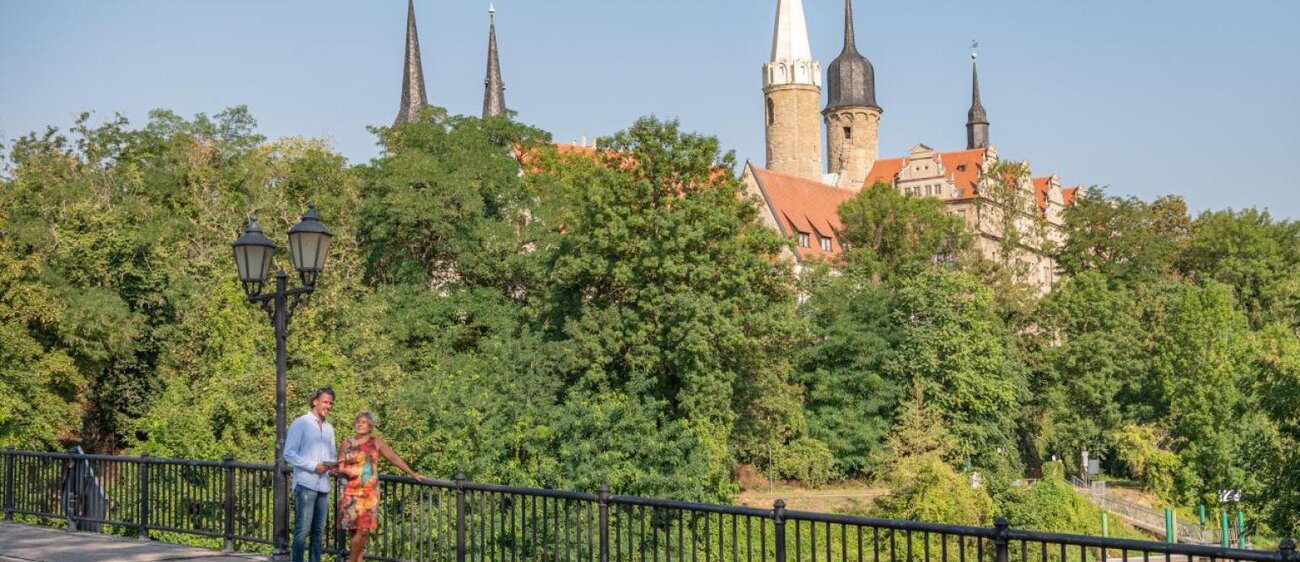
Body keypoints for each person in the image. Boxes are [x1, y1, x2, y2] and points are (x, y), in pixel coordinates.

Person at [336, 411, 426, 562]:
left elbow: (393, 458)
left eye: (363, 422)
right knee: (353, 532)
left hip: (368, 494)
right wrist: (349, 471)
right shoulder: (346, 443)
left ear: (370, 426)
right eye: (357, 421)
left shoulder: (376, 442)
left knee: (364, 531)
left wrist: (412, 473)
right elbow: (339, 466)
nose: (359, 424)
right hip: (350, 492)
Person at [283, 387, 337, 562]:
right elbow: (288, 453)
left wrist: (333, 466)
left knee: (319, 532)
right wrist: (314, 466)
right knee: (302, 531)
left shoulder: (329, 428)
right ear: (315, 401)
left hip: (324, 486)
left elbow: (331, 455)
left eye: (331, 403)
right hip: (306, 484)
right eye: (325, 402)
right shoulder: (301, 423)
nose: (328, 406)